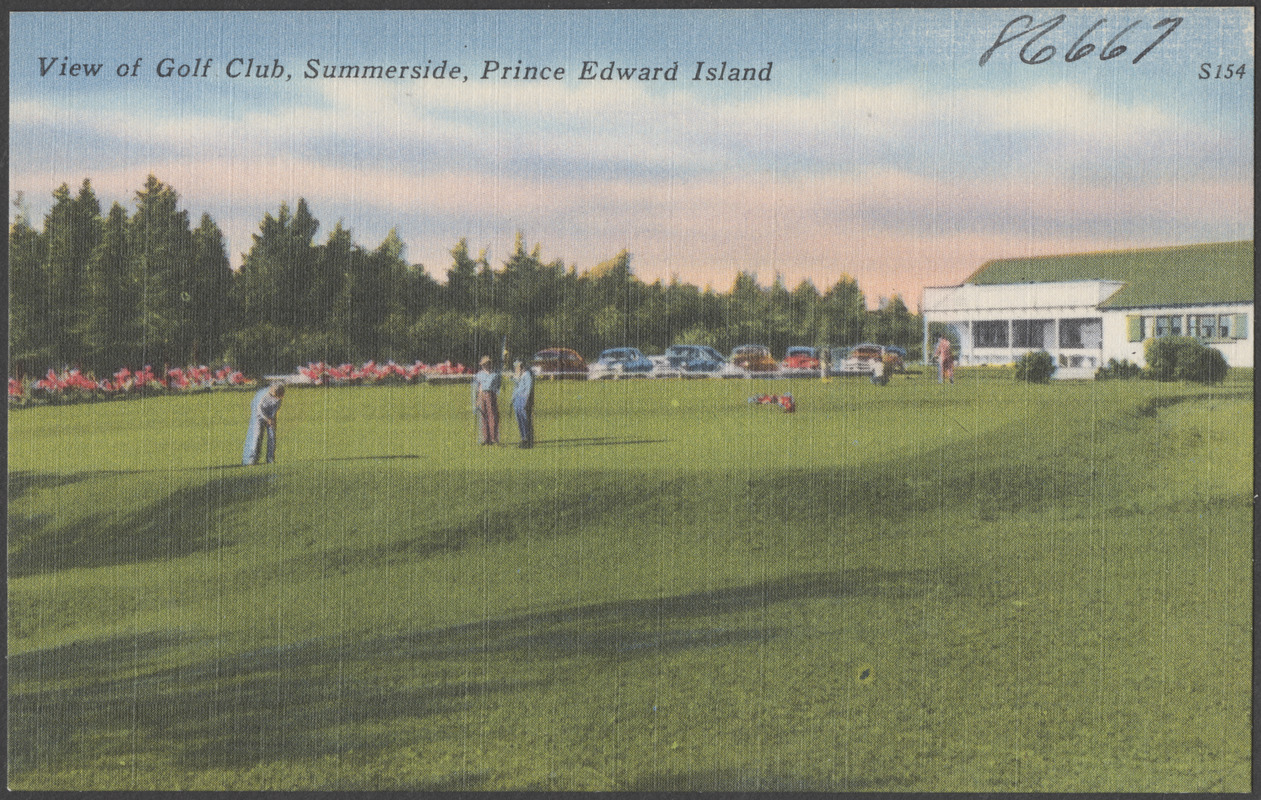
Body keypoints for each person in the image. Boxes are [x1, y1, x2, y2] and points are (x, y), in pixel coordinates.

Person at [242, 382, 285, 465]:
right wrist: (266, 418)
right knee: (257, 436)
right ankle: (251, 460)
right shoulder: (263, 396)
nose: (277, 398)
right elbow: (259, 409)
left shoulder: (279, 396)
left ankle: (270, 459)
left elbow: (276, 407)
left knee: (272, 436)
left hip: (270, 414)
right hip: (258, 415)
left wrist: (271, 419)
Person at [470, 355, 502, 445]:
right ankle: (486, 438)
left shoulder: (495, 374)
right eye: (484, 364)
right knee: (483, 416)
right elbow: (477, 387)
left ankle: (494, 438)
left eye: (487, 364)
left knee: (492, 416)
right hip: (482, 394)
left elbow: (498, 386)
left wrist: (495, 394)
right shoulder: (479, 374)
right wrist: (477, 399)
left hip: (491, 394)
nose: (486, 365)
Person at [511, 358, 536, 448]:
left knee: (526, 419)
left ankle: (528, 439)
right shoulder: (519, 375)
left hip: (524, 399)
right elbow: (516, 387)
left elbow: (528, 389)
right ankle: (523, 438)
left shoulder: (527, 375)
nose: (516, 368)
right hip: (518, 399)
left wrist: (526, 400)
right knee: (520, 419)